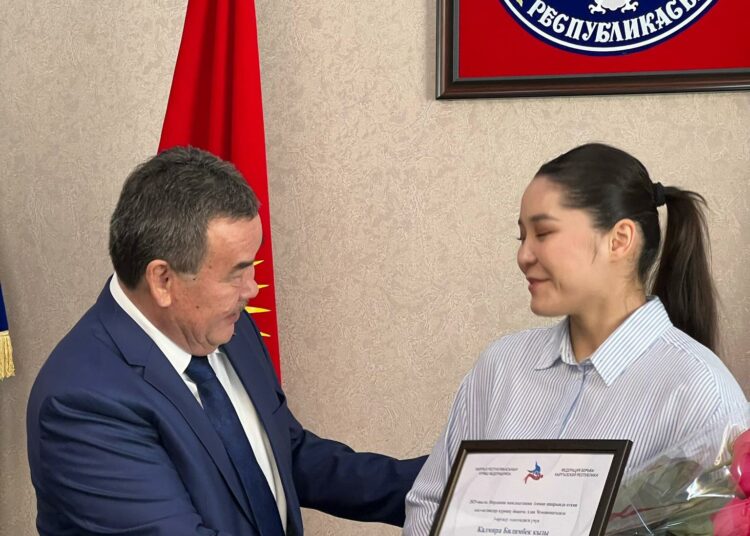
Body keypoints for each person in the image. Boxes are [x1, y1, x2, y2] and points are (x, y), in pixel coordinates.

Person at [27, 147, 425, 536]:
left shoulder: (225, 325)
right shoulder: (82, 405)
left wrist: (441, 487)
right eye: (236, 272)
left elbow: (286, 454)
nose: (252, 290)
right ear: (163, 280)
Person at [403, 143, 748, 535]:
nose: (524, 256)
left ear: (619, 239)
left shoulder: (702, 395)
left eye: (543, 233)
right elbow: (429, 503)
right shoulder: (500, 367)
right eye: (521, 237)